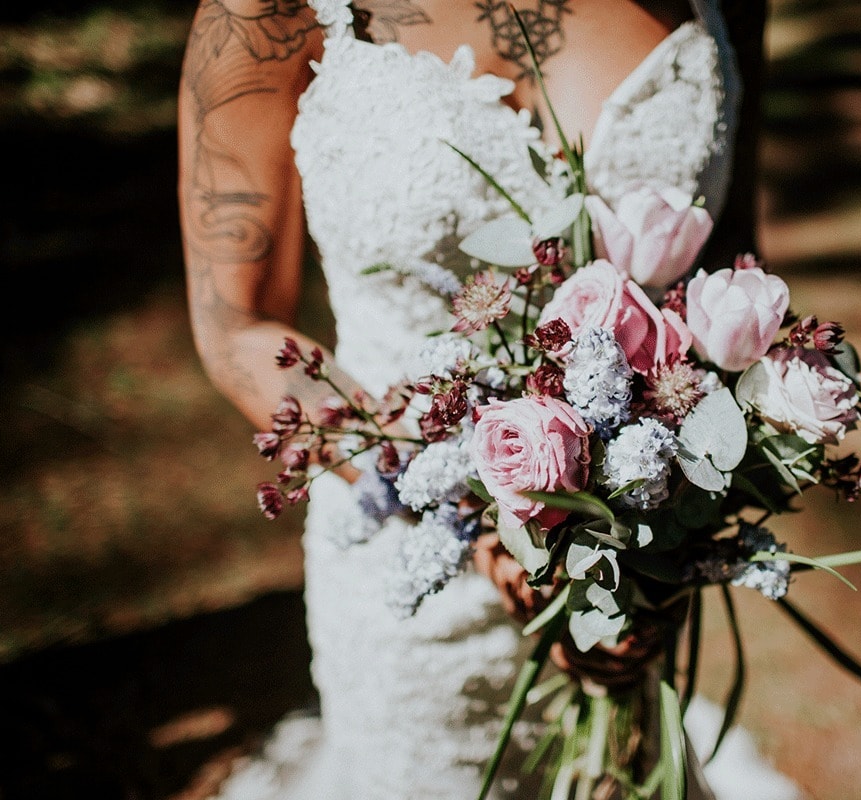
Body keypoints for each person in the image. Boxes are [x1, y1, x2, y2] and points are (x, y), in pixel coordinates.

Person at [179, 1, 798, 798]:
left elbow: (729, 277)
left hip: (629, 566)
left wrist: (663, 525)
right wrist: (464, 513)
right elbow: (237, 324)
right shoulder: (262, 12)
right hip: (404, 565)